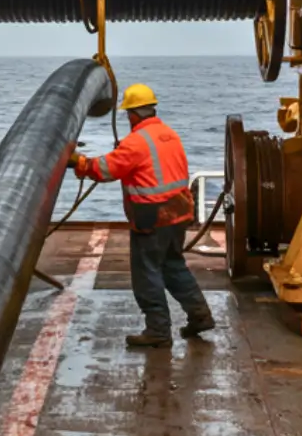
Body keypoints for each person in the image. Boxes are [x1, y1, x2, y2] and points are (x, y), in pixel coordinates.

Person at [68, 82, 214, 348]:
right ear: (152, 109)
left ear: (132, 114)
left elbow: (105, 170)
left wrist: (77, 161)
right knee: (173, 266)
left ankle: (158, 331)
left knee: (147, 273)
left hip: (152, 218)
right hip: (179, 213)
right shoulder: (169, 134)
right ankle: (200, 315)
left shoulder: (136, 142)